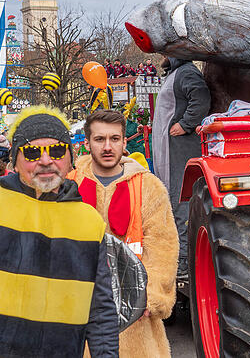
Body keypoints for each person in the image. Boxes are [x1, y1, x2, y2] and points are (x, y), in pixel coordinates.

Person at [0, 106, 119, 356]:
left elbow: (101, 313)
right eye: (31, 152)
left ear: (70, 158)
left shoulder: (88, 223)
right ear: (15, 161)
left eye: (57, 150)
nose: (46, 161)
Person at [69, 110, 178, 357]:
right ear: (87, 143)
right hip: (79, 309)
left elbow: (163, 246)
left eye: (114, 139)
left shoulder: (149, 187)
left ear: (124, 142)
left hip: (135, 318)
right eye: (100, 139)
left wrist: (151, 296)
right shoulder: (70, 182)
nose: (108, 147)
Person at [151, 56, 210, 279]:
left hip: (180, 151)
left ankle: (184, 260)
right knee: (172, 201)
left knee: (180, 202)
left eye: (165, 52)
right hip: (169, 151)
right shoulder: (174, 74)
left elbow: (201, 97)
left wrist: (186, 124)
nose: (162, 56)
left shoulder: (186, 72)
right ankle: (178, 256)